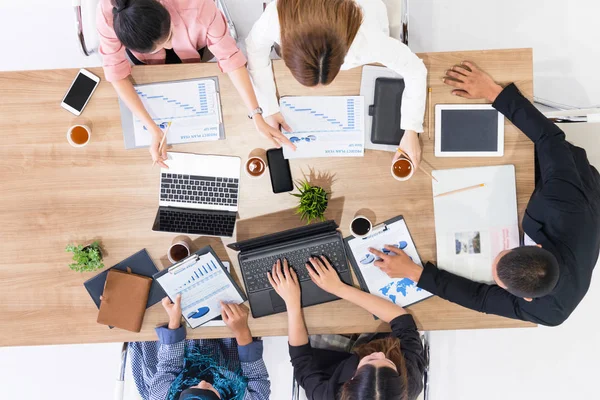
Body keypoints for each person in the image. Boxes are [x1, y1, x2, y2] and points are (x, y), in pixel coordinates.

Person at [370, 62, 600, 327]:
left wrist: (414, 273)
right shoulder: (563, 198)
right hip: (578, 187)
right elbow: (549, 139)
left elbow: (480, 299)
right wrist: (492, 91)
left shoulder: (550, 312)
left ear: (524, 298)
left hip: (560, 220)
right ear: (534, 246)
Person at [97, 0, 294, 168]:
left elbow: (230, 57)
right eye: (156, 47)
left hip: (193, 47)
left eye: (169, 37)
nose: (167, 46)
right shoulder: (110, 14)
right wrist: (152, 128)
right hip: (149, 68)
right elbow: (115, 72)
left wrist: (256, 113)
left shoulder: (198, 4)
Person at [245, 0, 427, 171]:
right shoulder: (274, 18)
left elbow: (415, 69)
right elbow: (254, 49)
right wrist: (267, 106)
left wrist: (411, 129)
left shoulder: (368, 38)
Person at [268, 257, 426, 400]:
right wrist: (338, 288)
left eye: (371, 360)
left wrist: (291, 301)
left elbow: (301, 359)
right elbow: (403, 322)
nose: (379, 354)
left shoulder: (326, 396)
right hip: (377, 336)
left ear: (350, 381)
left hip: (331, 358)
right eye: (389, 364)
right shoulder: (409, 384)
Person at [129, 295, 270, 400]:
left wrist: (174, 320)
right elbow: (257, 377)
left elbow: (169, 365)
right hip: (226, 358)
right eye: (208, 389)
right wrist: (241, 331)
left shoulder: (161, 396)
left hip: (178, 367)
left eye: (195, 388)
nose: (202, 382)